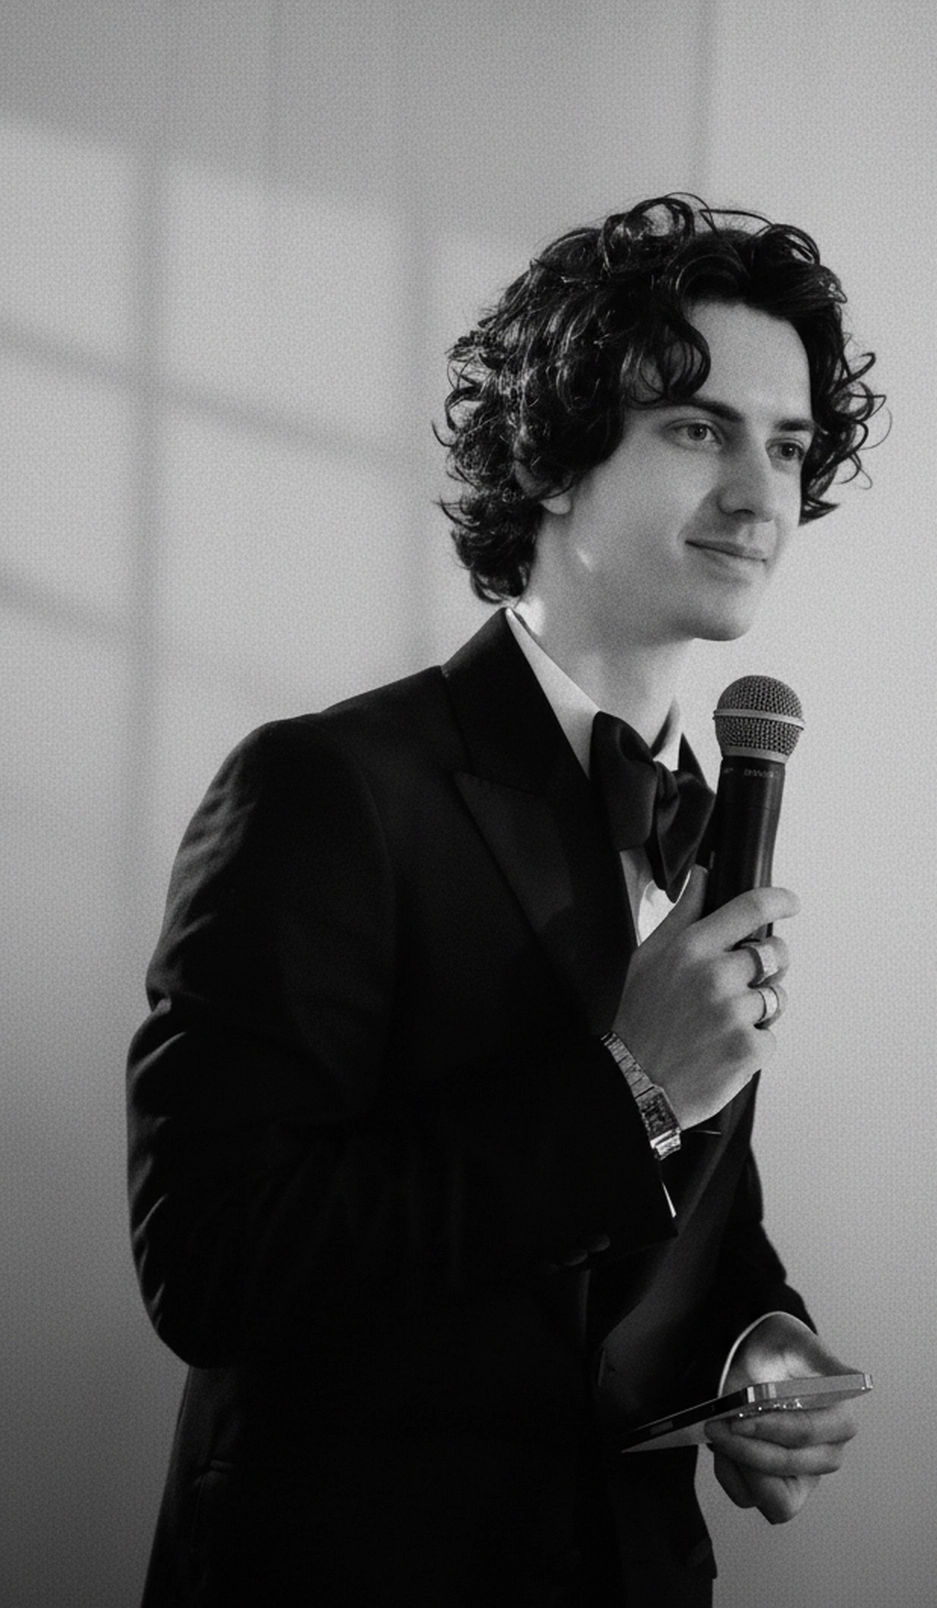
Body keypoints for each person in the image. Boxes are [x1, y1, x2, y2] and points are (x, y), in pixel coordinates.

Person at [126, 193, 882, 1607]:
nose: (762, 496)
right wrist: (630, 1088)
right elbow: (211, 1266)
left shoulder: (713, 814)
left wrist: (753, 1340)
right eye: (699, 430)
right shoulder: (323, 788)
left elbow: (687, 1216)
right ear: (551, 456)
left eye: (787, 446)